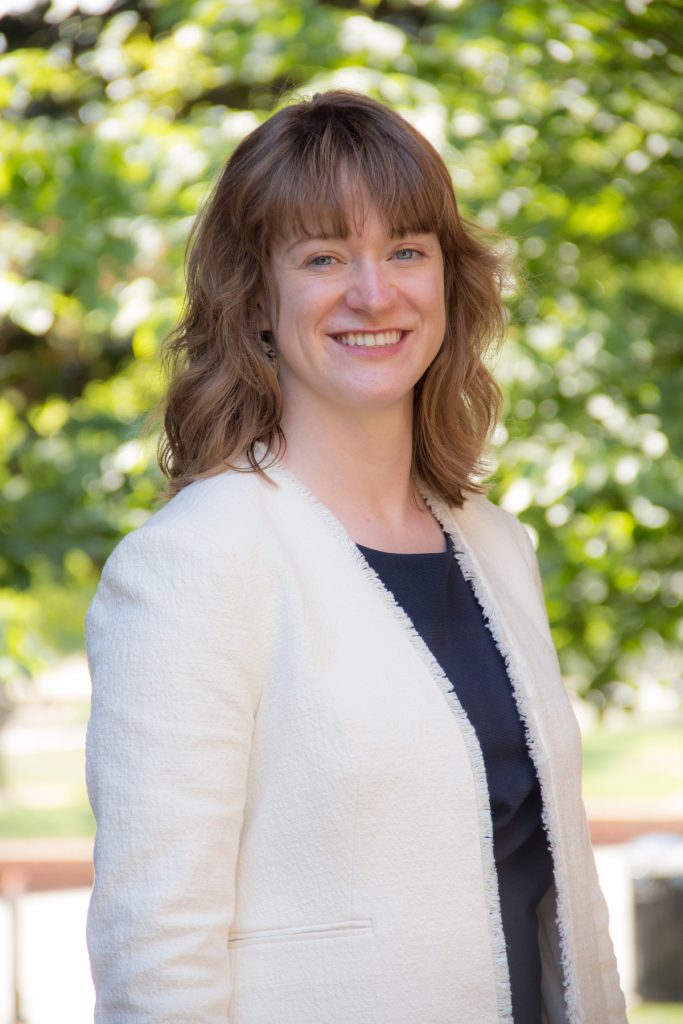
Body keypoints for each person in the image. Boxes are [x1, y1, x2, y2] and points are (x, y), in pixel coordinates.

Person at [85, 90, 626, 1023]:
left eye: (405, 251)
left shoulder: (495, 541)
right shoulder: (192, 564)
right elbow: (155, 955)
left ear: (448, 281)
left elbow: (552, 882)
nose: (373, 294)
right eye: (324, 257)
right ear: (256, 297)